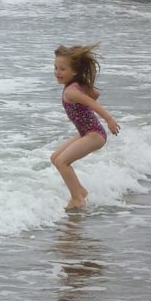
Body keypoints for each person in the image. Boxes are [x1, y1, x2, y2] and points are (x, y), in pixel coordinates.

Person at [51, 44, 120, 210]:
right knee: (55, 158)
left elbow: (92, 103)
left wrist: (109, 119)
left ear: (74, 71)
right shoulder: (75, 86)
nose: (57, 72)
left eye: (62, 69)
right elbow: (95, 94)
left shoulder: (71, 92)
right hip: (85, 132)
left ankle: (78, 197)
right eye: (55, 68)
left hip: (94, 134)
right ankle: (79, 190)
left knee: (62, 162)